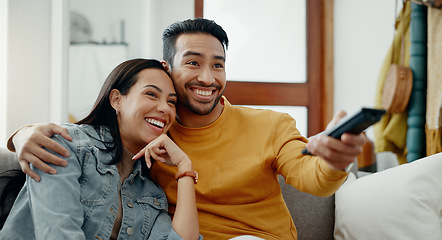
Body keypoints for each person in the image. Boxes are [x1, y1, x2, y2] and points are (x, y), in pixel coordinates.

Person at [8, 19, 366, 239]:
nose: (207, 78)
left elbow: (311, 177)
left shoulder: (270, 124)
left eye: (218, 65)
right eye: (193, 63)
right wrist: (21, 134)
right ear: (168, 66)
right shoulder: (147, 136)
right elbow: (79, 143)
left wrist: (335, 158)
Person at [1, 59, 201, 240]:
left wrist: (184, 167)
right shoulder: (68, 145)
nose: (165, 108)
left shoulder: (150, 193)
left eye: (171, 102)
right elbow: (58, 233)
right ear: (116, 100)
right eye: (151, 94)